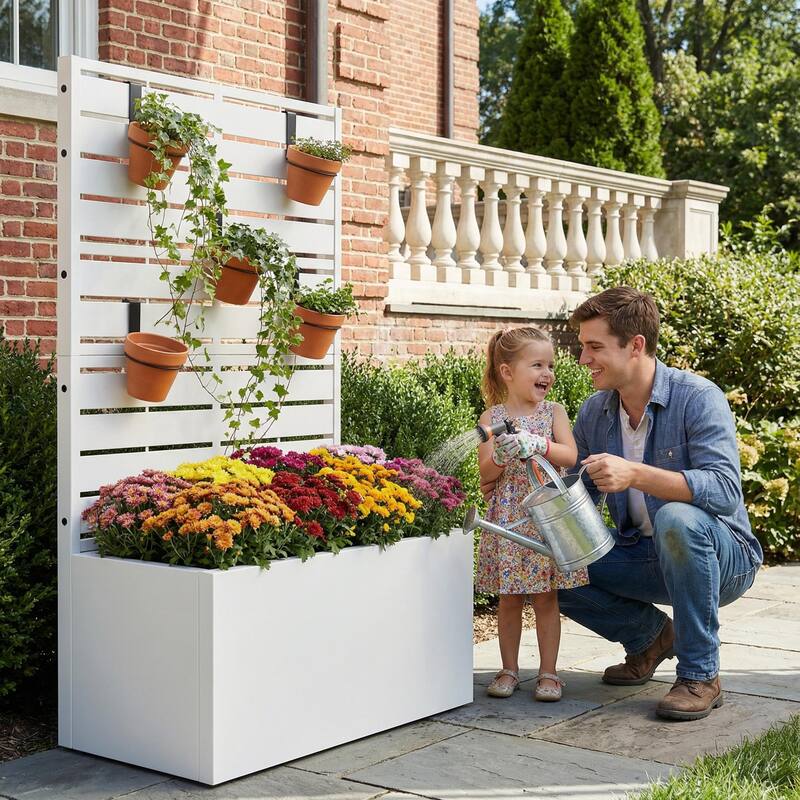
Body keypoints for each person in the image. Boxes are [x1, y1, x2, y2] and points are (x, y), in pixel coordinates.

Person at [559, 287, 762, 720]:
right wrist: (531, 475)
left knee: (676, 519)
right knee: (548, 559)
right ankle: (650, 638)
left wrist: (636, 474)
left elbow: (725, 490)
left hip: (722, 557)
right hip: (640, 554)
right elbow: (576, 498)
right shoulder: (595, 412)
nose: (583, 358)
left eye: (594, 347)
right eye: (583, 347)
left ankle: (700, 675)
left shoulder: (698, 397)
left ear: (635, 346)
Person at [475, 326, 587, 702]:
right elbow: (485, 475)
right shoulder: (492, 417)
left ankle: (548, 673)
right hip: (508, 517)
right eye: (537, 365)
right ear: (508, 372)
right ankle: (508, 669)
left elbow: (570, 455)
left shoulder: (554, 413)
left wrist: (539, 443)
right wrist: (499, 456)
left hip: (546, 518)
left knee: (545, 598)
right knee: (509, 598)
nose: (547, 373)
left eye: (550, 365)